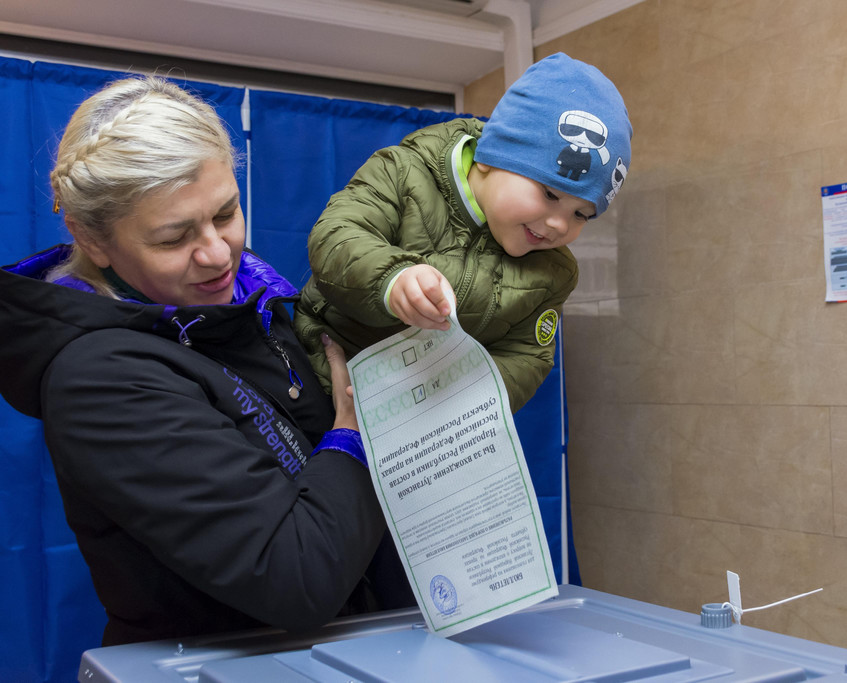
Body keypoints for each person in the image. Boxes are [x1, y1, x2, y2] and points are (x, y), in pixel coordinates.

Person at [0, 76, 412, 646]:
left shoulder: (252, 305)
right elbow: (296, 578)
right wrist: (360, 429)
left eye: (225, 213)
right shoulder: (99, 379)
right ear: (92, 240)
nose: (219, 254)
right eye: (174, 239)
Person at [294, 53, 632, 413]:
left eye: (581, 214)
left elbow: (526, 357)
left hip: (413, 422)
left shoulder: (554, 273)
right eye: (550, 194)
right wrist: (393, 280)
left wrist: (463, 403)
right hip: (313, 377)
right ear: (490, 157)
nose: (559, 225)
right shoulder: (404, 172)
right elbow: (336, 236)